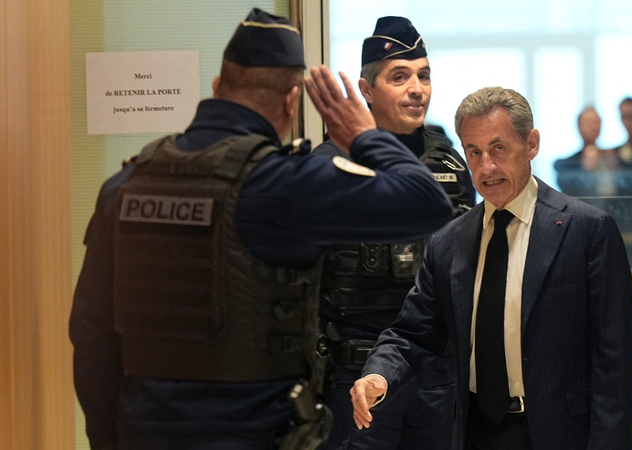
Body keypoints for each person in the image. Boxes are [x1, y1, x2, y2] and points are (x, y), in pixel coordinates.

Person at [69, 8, 452, 450]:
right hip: (253, 433)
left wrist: (106, 436)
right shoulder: (286, 188)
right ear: (292, 103)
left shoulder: (124, 187)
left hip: (143, 432)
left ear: (216, 89)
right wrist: (364, 137)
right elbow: (426, 203)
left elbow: (91, 335)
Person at [351, 87, 632, 449]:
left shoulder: (588, 231)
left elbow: (615, 359)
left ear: (531, 144)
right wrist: (379, 374)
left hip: (560, 433)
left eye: (498, 148)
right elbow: (413, 332)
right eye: (474, 152)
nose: (486, 166)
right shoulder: (448, 242)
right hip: (475, 432)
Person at [313, 16, 475, 450]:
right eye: (399, 77)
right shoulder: (330, 164)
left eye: (424, 75)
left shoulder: (450, 162)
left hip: (436, 375)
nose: (417, 88)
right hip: (357, 373)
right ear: (367, 91)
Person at [554, 106, 619, 197]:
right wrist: (586, 169)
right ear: (579, 126)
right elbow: (566, 188)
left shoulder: (612, 155)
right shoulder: (566, 163)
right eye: (587, 122)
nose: (593, 127)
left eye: (596, 122)